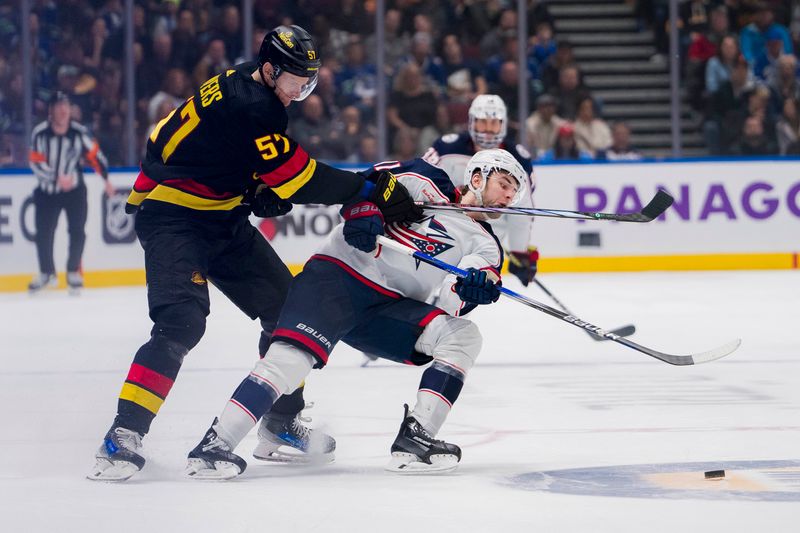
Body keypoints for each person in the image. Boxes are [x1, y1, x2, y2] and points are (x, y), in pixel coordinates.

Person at [88, 25, 421, 482]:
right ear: (269, 70)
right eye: (294, 81)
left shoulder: (247, 82)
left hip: (218, 215)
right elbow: (299, 180)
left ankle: (281, 424)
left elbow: (190, 146)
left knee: (291, 311)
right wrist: (367, 185)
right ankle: (122, 434)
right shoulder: (254, 105)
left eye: (307, 82)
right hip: (174, 218)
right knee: (181, 322)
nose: (299, 91)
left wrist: (250, 188)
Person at [184, 149, 527, 479]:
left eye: (514, 192)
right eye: (504, 184)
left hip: (388, 309)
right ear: (478, 177)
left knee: (462, 335)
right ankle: (215, 444)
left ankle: (416, 439)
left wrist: (472, 290)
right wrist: (363, 211)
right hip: (338, 278)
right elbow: (366, 185)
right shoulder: (426, 179)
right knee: (289, 361)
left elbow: (452, 300)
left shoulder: (486, 246)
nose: (508, 197)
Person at [423, 94, 539, 288]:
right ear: (470, 122)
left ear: (503, 125)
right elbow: (423, 181)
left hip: (485, 235)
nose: (487, 130)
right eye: (482, 122)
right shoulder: (446, 149)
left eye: (494, 123)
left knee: (462, 289)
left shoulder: (519, 161)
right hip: (443, 227)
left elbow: (520, 213)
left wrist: (519, 252)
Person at [28, 92, 114, 293]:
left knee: (77, 230)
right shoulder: (40, 133)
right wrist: (56, 177)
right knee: (43, 233)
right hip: (47, 191)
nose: (63, 110)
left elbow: (96, 156)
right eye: (58, 106)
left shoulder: (79, 132)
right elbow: (35, 161)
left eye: (66, 106)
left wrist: (106, 179)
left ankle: (73, 271)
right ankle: (46, 272)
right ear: (51, 111)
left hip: (74, 190)